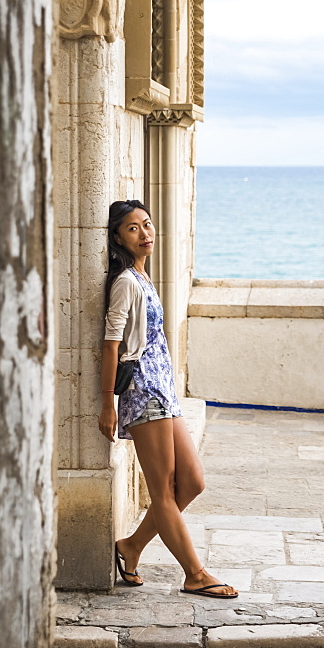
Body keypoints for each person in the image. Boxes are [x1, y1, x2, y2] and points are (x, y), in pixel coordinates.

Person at [98, 199, 238, 599]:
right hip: (143, 392)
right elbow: (111, 344)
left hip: (164, 391)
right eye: (132, 228)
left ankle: (131, 546)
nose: (145, 233)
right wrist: (108, 403)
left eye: (146, 224)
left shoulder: (143, 277)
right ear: (117, 238)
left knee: (191, 482)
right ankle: (195, 573)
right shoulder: (126, 282)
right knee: (162, 490)